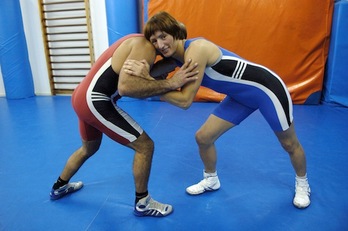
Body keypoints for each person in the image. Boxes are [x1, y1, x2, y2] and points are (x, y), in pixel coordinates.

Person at [123, 11, 311, 208]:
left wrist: (151, 85)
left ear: (174, 33)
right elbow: (143, 78)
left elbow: (184, 101)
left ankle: (302, 183)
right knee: (203, 138)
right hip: (239, 98)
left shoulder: (197, 50)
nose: (160, 45)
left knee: (289, 144)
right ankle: (211, 179)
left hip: (267, 89)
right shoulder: (174, 59)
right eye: (154, 41)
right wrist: (140, 77)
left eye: (163, 36)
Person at [49, 33, 199, 217]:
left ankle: (59, 186)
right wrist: (171, 83)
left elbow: (145, 75)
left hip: (80, 95)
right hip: (95, 100)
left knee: (89, 148)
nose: (163, 45)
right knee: (145, 146)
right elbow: (128, 88)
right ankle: (143, 202)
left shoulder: (135, 41)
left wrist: (171, 66)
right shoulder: (145, 47)